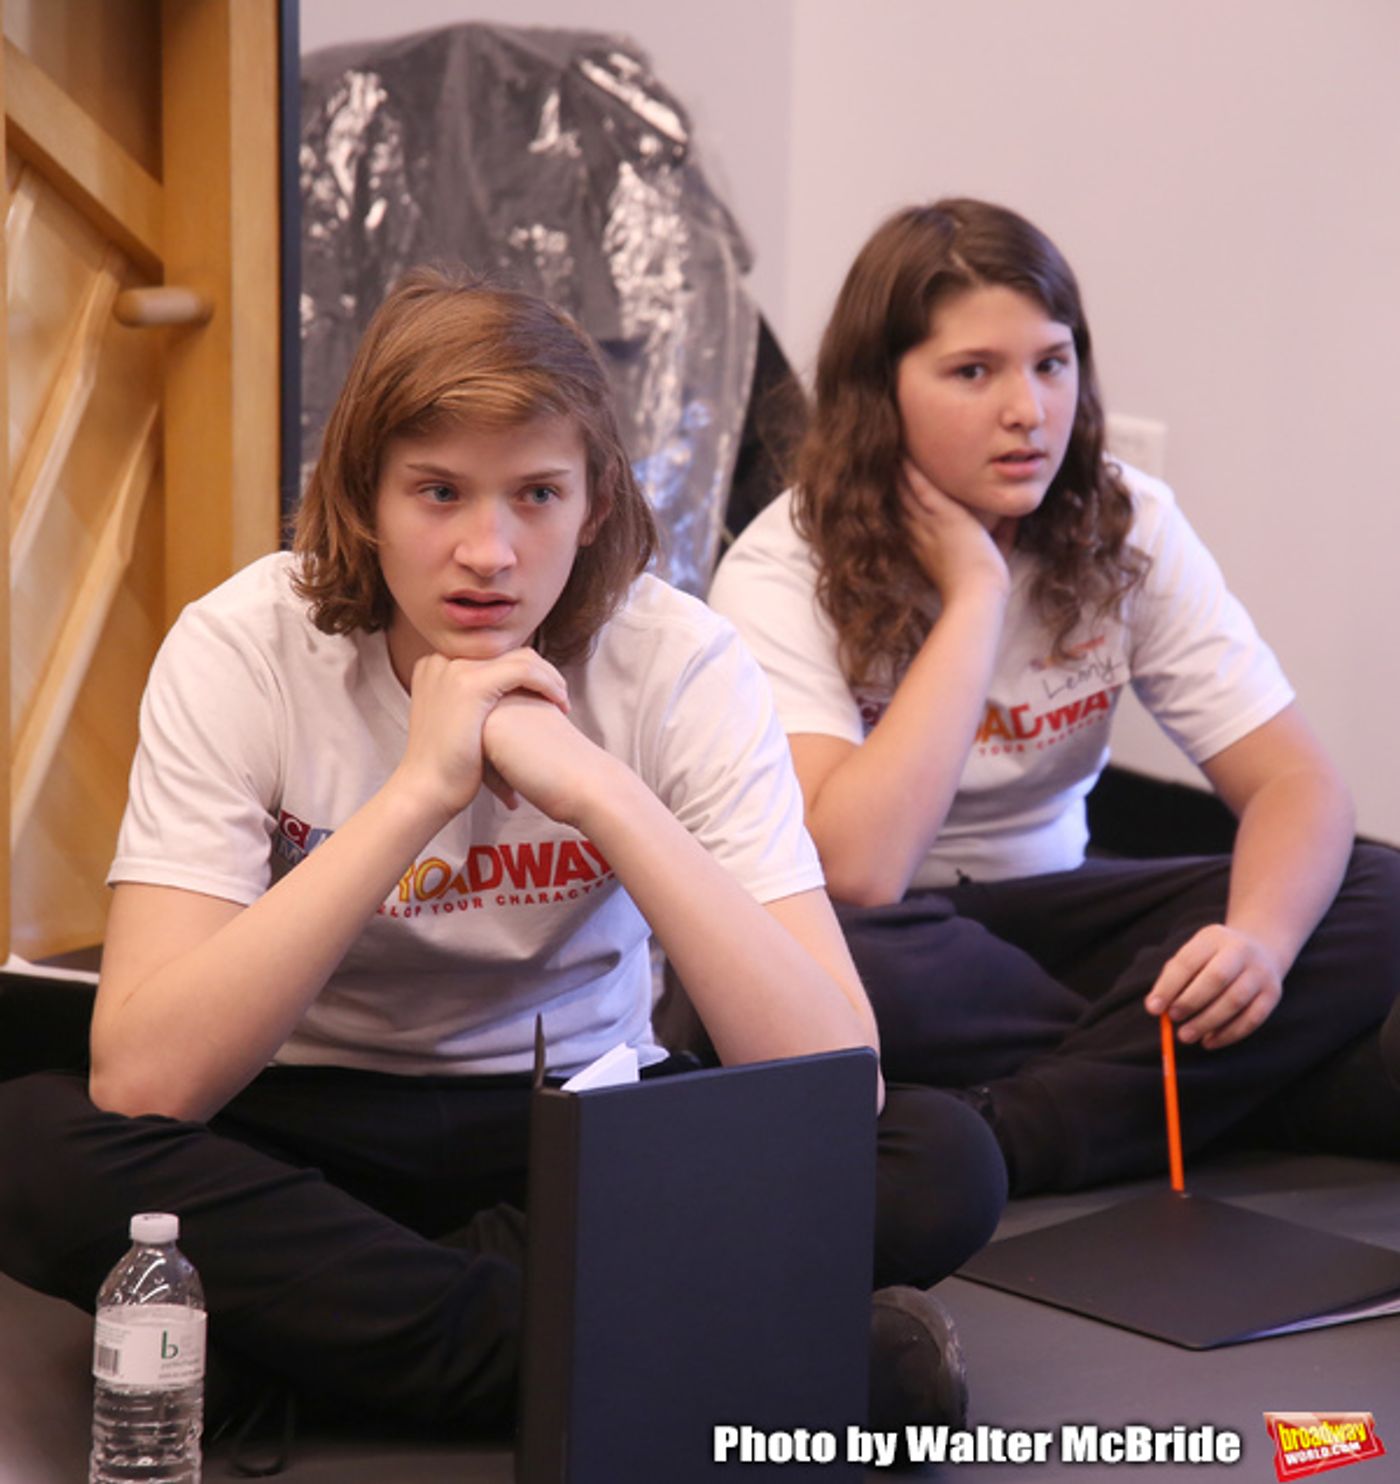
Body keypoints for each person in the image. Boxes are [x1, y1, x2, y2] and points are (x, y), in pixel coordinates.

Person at [0, 269, 1005, 1446]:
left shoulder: (677, 660)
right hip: (303, 1121)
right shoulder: (244, 647)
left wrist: (601, 793)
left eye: (536, 493)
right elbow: (145, 1077)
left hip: (580, 1119)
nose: (488, 550)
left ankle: (321, 1345)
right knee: (35, 1146)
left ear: (592, 505)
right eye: (438, 491)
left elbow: (837, 1084)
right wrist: (419, 791)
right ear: (365, 499)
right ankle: (736, 1365)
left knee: (937, 1160)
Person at [709, 199, 1400, 1197]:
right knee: (826, 968)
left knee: (1370, 890)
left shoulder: (1124, 521)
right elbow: (854, 869)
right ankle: (1239, 1081)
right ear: (877, 393)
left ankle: (1015, 1131)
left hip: (1062, 915)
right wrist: (976, 594)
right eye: (972, 372)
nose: (1027, 408)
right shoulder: (779, 566)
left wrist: (1255, 944)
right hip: (904, 939)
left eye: (1050, 361)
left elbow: (1295, 781)